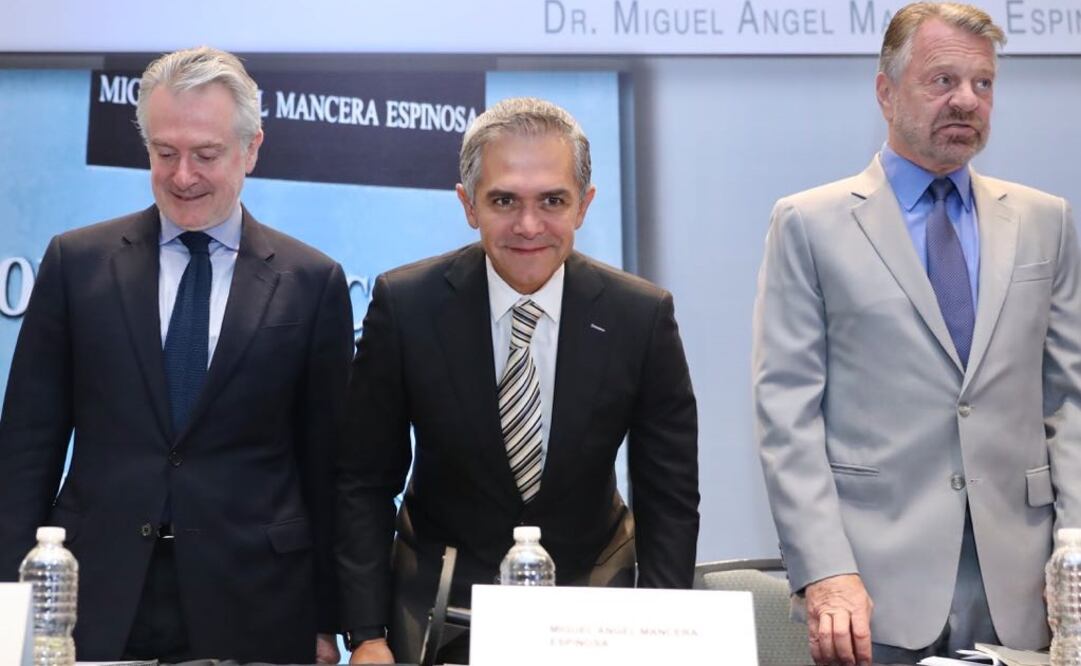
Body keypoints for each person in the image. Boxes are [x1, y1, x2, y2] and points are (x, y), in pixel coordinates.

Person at [0, 47, 353, 664]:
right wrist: (9, 602)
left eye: (206, 154)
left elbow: (328, 467)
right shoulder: (76, 263)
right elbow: (27, 448)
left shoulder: (311, 281)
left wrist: (330, 620)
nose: (183, 174)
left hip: (258, 600)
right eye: (165, 153)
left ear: (252, 149)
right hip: (96, 591)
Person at [753, 3, 1081, 664]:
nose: (965, 100)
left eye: (981, 84)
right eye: (941, 81)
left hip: (1024, 592)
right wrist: (824, 570)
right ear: (885, 90)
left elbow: (1067, 399)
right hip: (869, 591)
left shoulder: (1045, 220)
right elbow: (785, 412)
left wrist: (1074, 548)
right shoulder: (808, 223)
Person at [337, 97, 700, 664]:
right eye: (504, 200)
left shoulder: (641, 316)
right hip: (437, 606)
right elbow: (362, 481)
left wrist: (661, 631)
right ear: (468, 204)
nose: (528, 226)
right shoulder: (405, 305)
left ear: (584, 205)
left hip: (593, 607)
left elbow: (669, 498)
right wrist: (367, 635)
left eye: (552, 200)